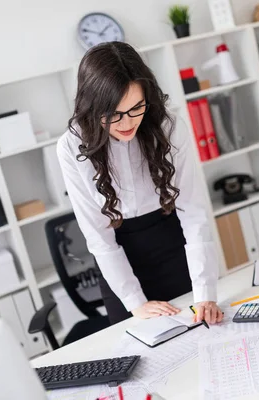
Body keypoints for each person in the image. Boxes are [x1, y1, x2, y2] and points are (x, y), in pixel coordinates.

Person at [57, 41, 223, 326]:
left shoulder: (168, 127)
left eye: (136, 108)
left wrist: (205, 291)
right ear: (92, 107)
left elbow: (193, 210)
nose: (127, 122)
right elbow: (97, 234)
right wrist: (135, 302)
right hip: (118, 257)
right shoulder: (72, 146)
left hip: (172, 243)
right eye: (114, 114)